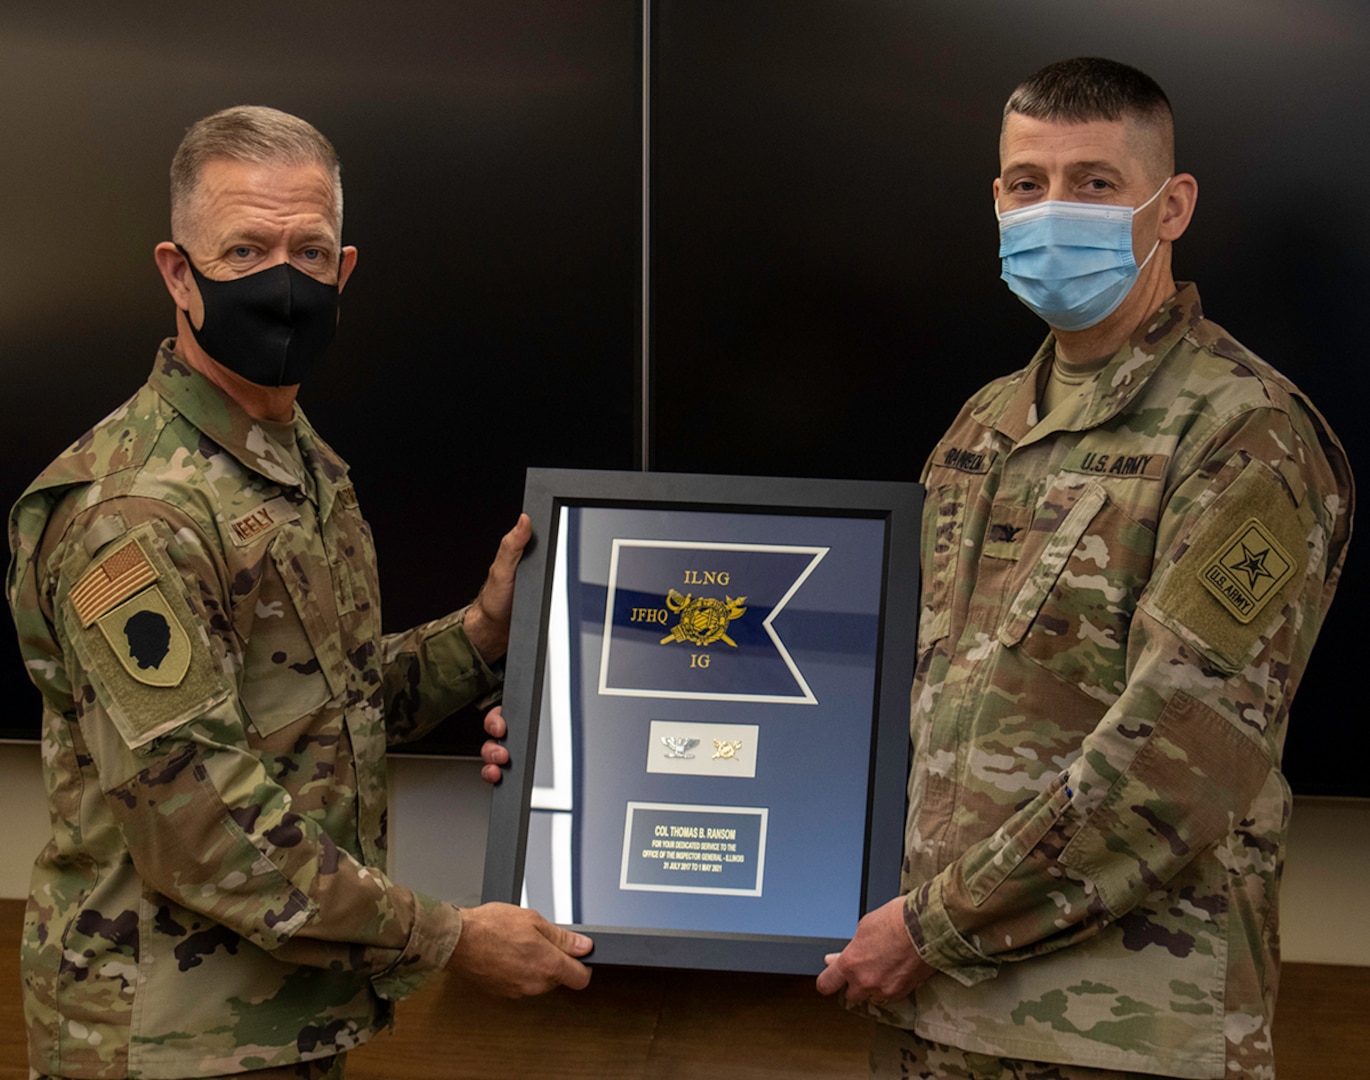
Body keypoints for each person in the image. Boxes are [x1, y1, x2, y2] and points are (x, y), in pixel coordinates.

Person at [5, 105, 590, 1080]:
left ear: (343, 271)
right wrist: (448, 936)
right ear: (177, 273)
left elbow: (327, 711)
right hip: (159, 1041)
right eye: (243, 248)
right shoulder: (133, 512)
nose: (282, 281)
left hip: (275, 1023)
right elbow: (203, 823)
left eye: (308, 252)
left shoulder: (298, 465)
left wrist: (482, 635)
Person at [817, 57, 1354, 1078]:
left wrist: (929, 927)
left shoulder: (1244, 434)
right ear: (996, 198)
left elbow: (1179, 759)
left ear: (1170, 205)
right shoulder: (981, 426)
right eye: (1028, 183)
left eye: (1094, 182)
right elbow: (910, 694)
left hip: (1117, 1033)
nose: (1052, 208)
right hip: (932, 1015)